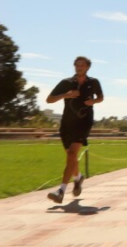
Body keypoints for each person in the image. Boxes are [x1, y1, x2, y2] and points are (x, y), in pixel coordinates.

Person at [45, 56, 104, 203]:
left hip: (84, 122)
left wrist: (94, 101)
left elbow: (101, 97)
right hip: (67, 124)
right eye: (77, 65)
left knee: (72, 153)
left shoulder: (93, 82)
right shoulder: (66, 83)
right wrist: (67, 94)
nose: (79, 67)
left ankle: (61, 191)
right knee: (71, 157)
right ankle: (78, 178)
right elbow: (49, 99)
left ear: (87, 67)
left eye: (82, 65)